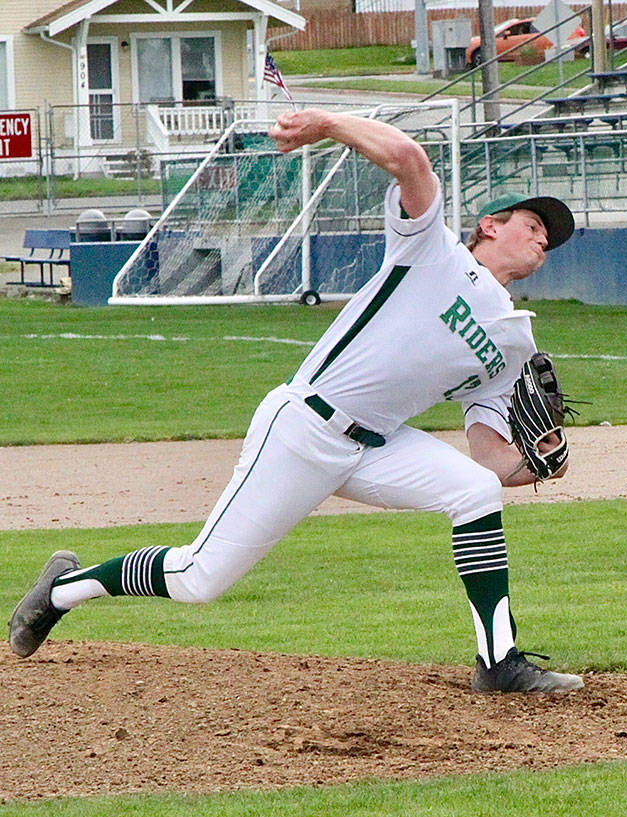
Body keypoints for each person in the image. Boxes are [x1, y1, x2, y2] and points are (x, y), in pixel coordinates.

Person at [8, 109, 585, 693]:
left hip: (375, 447)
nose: (544, 237)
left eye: (550, 236)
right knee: (198, 577)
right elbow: (410, 159)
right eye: (533, 223)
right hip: (305, 426)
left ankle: (498, 661)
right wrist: (328, 124)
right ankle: (62, 590)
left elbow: (484, 451)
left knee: (476, 489)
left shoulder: (517, 340)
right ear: (489, 225)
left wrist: (536, 460)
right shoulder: (431, 249)